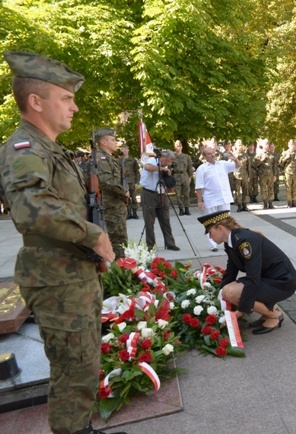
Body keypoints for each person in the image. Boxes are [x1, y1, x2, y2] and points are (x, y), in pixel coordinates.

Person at [0, 51, 116, 434]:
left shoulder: (48, 148)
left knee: (81, 367)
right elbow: (32, 206)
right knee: (73, 372)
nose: (75, 106)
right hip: (57, 280)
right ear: (36, 101)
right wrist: (93, 234)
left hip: (71, 275)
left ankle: (80, 428)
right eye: (65, 98)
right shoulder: (25, 149)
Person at [198, 210, 296, 334]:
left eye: (210, 233)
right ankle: (267, 311)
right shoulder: (231, 242)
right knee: (226, 290)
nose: (210, 237)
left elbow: (253, 277)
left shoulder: (244, 242)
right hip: (268, 279)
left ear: (220, 228)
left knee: (232, 293)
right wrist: (217, 296)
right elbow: (231, 271)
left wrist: (239, 312)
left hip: (283, 282)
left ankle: (274, 315)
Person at [195, 146, 241, 251]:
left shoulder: (223, 164)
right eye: (209, 153)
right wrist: (199, 201)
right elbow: (199, 187)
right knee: (211, 222)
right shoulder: (202, 169)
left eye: (213, 152)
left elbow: (238, 166)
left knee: (227, 222)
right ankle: (213, 245)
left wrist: (235, 159)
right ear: (204, 156)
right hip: (210, 199)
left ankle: (229, 241)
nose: (212, 155)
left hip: (224, 198)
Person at [93, 128, 128, 259]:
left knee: (120, 239)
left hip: (116, 205)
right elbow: (106, 181)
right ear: (103, 142)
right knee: (118, 240)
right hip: (111, 205)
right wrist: (124, 191)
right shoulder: (101, 158)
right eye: (113, 140)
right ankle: (120, 268)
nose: (116, 142)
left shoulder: (109, 158)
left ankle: (122, 266)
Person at [140, 148, 181, 251]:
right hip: (149, 193)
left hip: (162, 194)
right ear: (162, 157)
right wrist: (162, 169)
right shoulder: (152, 161)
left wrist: (169, 182)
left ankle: (170, 243)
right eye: (168, 160)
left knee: (166, 220)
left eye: (170, 161)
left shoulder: (165, 165)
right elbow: (147, 167)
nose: (168, 163)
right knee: (149, 222)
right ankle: (151, 246)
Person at [254, 140, 279, 209]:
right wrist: (261, 160)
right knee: (263, 189)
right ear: (263, 146)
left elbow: (274, 166)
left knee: (271, 189)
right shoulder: (259, 154)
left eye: (268, 144)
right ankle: (265, 204)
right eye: (265, 144)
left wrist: (275, 175)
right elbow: (255, 164)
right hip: (262, 175)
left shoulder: (271, 154)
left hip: (270, 174)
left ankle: (270, 203)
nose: (267, 146)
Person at [279, 139, 296, 208]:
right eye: (291, 145)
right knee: (288, 188)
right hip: (288, 173)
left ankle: (294, 202)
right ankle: (289, 203)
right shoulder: (285, 153)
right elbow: (280, 163)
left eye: (294, 145)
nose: (293, 146)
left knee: (295, 188)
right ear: (288, 145)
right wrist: (285, 158)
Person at [172, 140, 194, 215]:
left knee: (186, 194)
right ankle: (181, 209)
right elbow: (169, 168)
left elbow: (190, 167)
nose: (178, 147)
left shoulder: (186, 157)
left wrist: (190, 176)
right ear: (175, 147)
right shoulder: (172, 156)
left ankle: (187, 209)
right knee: (178, 195)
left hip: (185, 176)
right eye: (177, 146)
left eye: (180, 146)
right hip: (176, 176)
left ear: (182, 147)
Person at [121, 144, 141, 219]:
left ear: (128, 150)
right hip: (123, 182)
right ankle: (128, 213)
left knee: (134, 197)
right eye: (123, 149)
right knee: (126, 197)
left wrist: (136, 182)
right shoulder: (119, 161)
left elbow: (137, 172)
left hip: (132, 182)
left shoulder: (133, 160)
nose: (124, 150)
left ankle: (135, 213)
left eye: (126, 149)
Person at [232, 139, 251, 212]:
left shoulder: (245, 155)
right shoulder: (234, 155)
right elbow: (230, 165)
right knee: (237, 192)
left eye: (241, 145)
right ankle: (239, 205)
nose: (240, 146)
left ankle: (245, 205)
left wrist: (249, 176)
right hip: (236, 176)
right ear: (236, 146)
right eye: (239, 145)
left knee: (245, 191)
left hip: (245, 176)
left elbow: (248, 166)